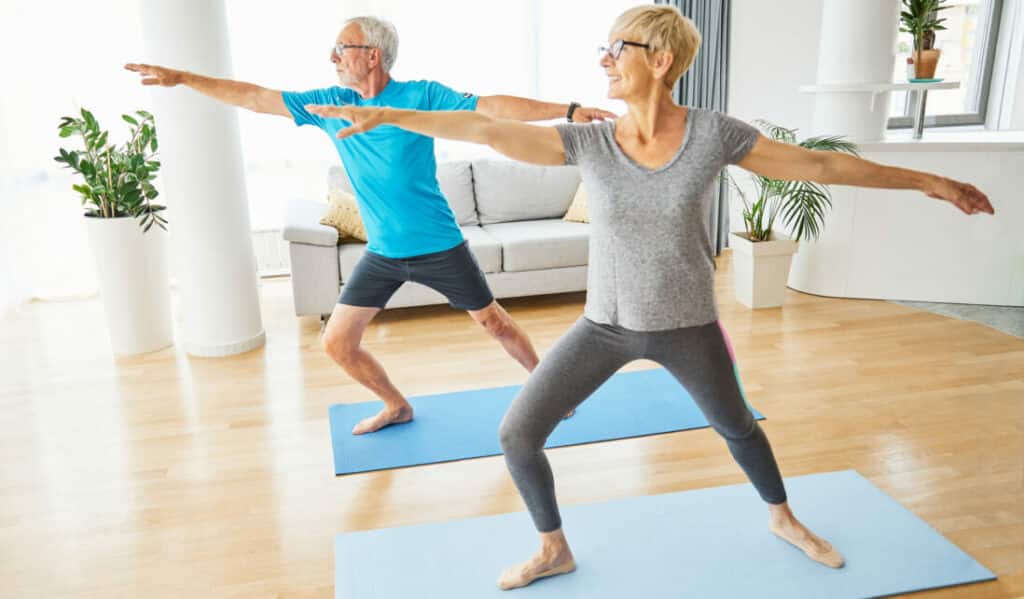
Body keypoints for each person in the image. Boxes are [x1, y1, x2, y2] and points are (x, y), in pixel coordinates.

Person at [309, 5, 993, 590]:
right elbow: (489, 130)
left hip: (688, 325)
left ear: (661, 59)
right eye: (603, 48)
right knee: (517, 433)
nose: (604, 60)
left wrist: (926, 181)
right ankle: (554, 546)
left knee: (738, 430)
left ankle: (782, 515)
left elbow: (819, 164)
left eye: (617, 48)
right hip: (603, 327)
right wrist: (392, 113)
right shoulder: (592, 142)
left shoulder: (714, 135)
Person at [126, 16, 614, 435]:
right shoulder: (329, 102)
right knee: (337, 343)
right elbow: (255, 97)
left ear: (372, 55)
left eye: (342, 48)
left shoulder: (422, 96)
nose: (332, 57)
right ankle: (395, 405)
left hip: (440, 244)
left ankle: (550, 391)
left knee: (494, 323)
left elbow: (492, 108)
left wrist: (567, 111)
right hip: (382, 252)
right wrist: (185, 78)